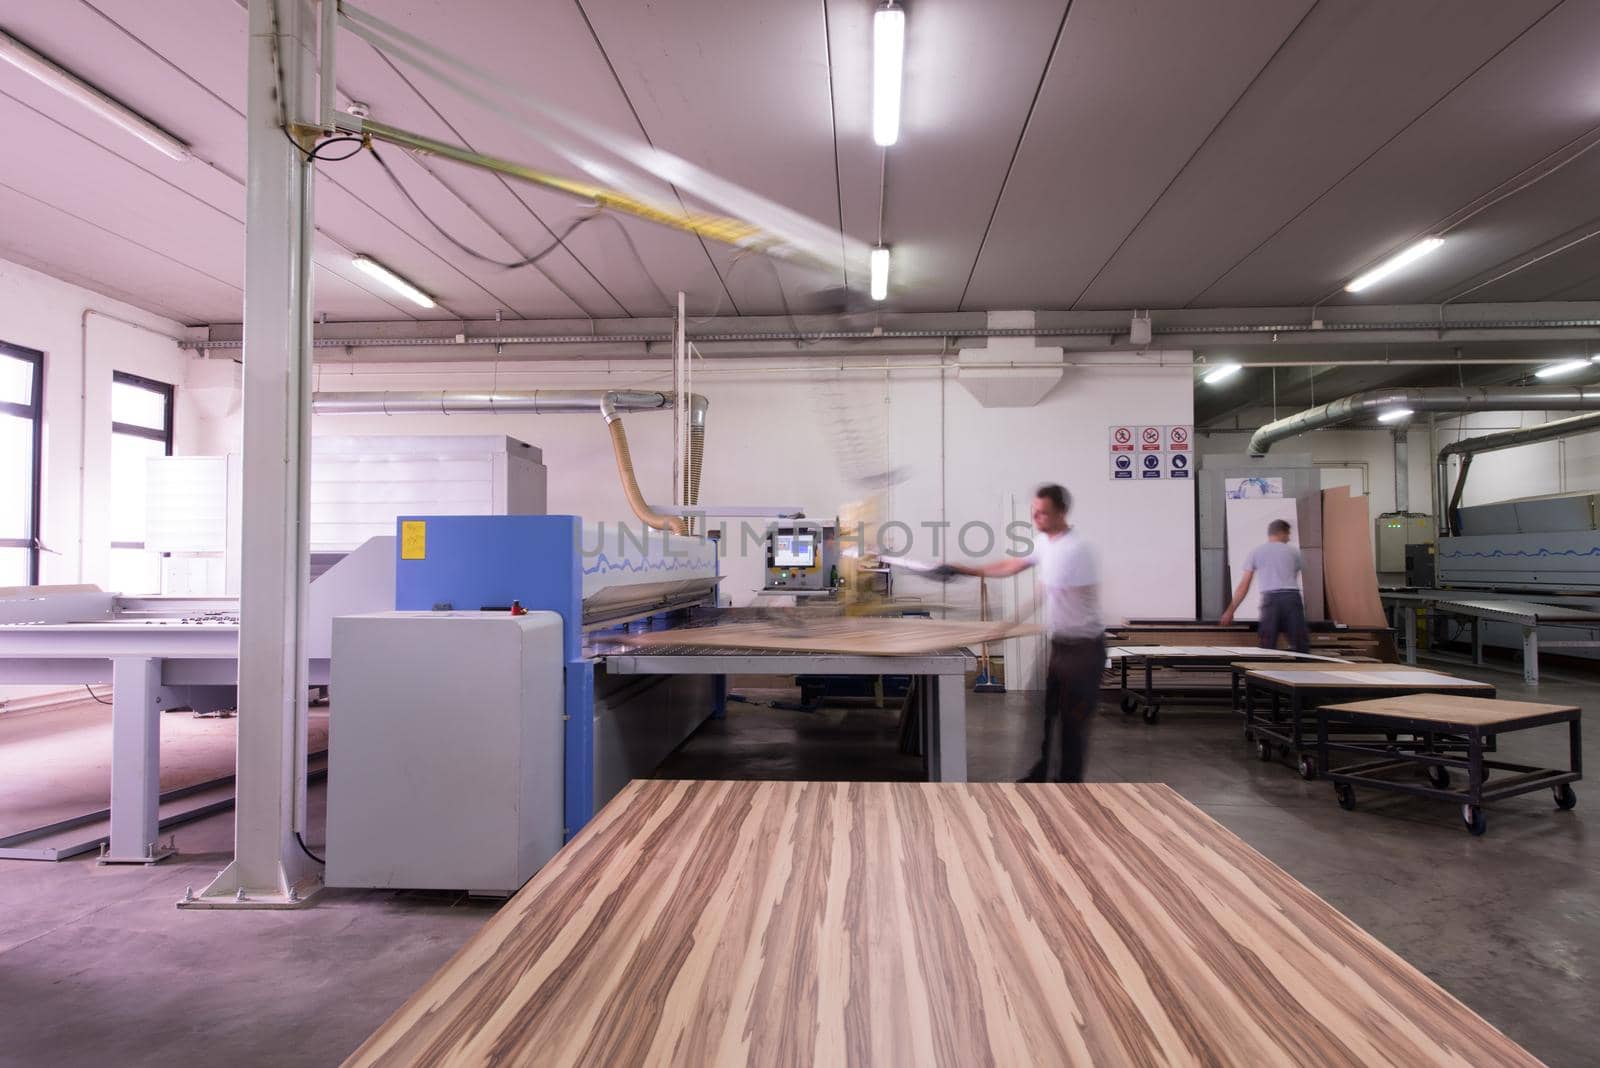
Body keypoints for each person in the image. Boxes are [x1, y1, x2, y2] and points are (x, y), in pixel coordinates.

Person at [948, 484, 1103, 783]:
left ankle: (1069, 787)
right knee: (1045, 714)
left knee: (1073, 724)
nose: (1037, 518)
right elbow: (1013, 564)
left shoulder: (1076, 550)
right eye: (1034, 513)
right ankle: (1041, 772)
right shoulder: (1045, 541)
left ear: (1061, 513)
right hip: (1061, 646)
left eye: (1043, 513)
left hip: (1085, 650)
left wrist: (1005, 625)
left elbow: (1044, 593)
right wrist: (967, 570)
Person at [1220, 518, 1309, 653]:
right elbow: (1294, 577)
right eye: (1288, 534)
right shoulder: (1294, 552)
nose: (1289, 538)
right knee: (1300, 645)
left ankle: (1267, 670)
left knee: (1268, 645)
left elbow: (1244, 586)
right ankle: (1305, 671)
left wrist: (1230, 610)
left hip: (1271, 601)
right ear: (1281, 533)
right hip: (1292, 598)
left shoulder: (1257, 552)